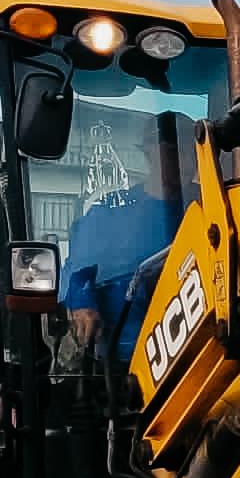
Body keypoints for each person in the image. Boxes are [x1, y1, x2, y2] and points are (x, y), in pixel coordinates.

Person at [58, 111, 187, 364]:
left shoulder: (213, 208)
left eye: (186, 150)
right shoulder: (109, 213)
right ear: (149, 153)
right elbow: (77, 275)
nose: (179, 159)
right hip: (123, 363)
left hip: (202, 352)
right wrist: (83, 304)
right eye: (169, 150)